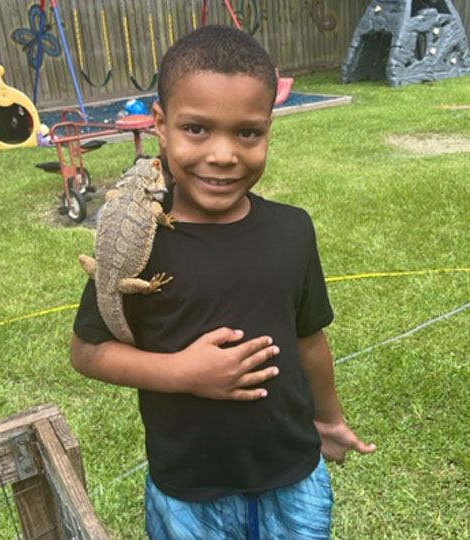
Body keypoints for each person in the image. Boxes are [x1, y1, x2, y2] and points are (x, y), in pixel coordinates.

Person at [71, 25, 376, 540]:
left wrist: (328, 419)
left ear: (269, 129)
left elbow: (310, 339)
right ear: (161, 127)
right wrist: (184, 373)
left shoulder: (292, 229)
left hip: (293, 476)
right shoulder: (137, 237)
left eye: (247, 133)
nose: (223, 154)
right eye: (197, 129)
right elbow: (88, 352)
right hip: (188, 489)